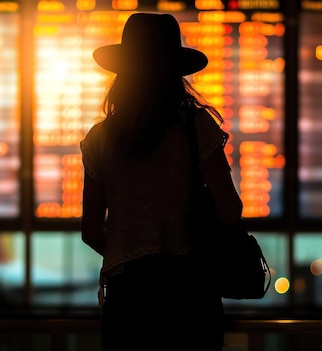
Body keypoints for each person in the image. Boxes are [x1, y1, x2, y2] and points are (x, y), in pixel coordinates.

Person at [80, 12, 243, 351]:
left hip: (128, 297)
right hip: (191, 293)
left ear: (122, 71)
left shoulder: (99, 138)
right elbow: (229, 211)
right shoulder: (197, 128)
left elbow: (91, 230)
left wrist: (130, 247)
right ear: (175, 72)